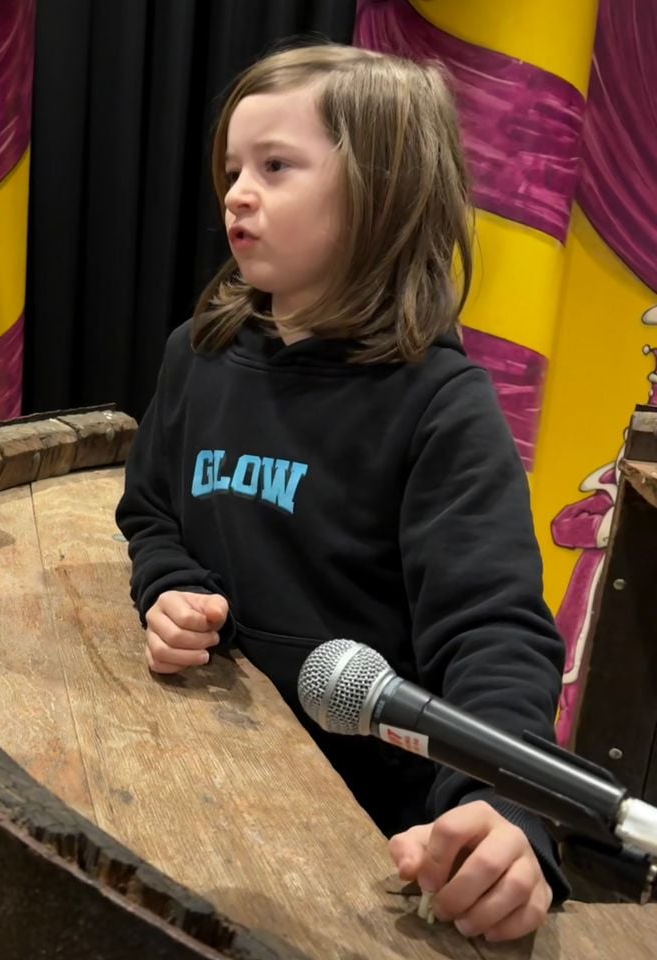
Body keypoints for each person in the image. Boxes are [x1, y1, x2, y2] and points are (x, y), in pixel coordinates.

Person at [116, 45, 567, 943]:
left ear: (384, 190)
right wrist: (165, 587)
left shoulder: (443, 407)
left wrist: (502, 813)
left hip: (366, 850)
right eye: (233, 168)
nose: (238, 193)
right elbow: (152, 511)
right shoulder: (196, 356)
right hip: (199, 789)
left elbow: (494, 635)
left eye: (276, 167)